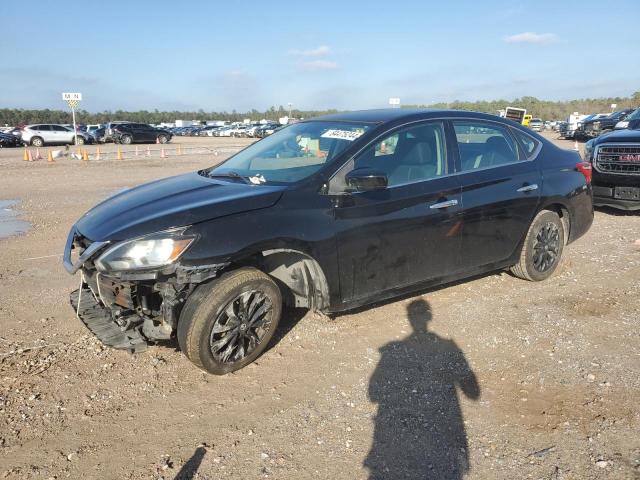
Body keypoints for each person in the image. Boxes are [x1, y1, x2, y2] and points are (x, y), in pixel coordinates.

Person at [365, 299, 480, 479]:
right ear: (429, 316)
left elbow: (373, 394)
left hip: (402, 445)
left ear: (409, 318)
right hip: (441, 441)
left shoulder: (392, 352)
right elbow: (473, 393)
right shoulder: (449, 347)